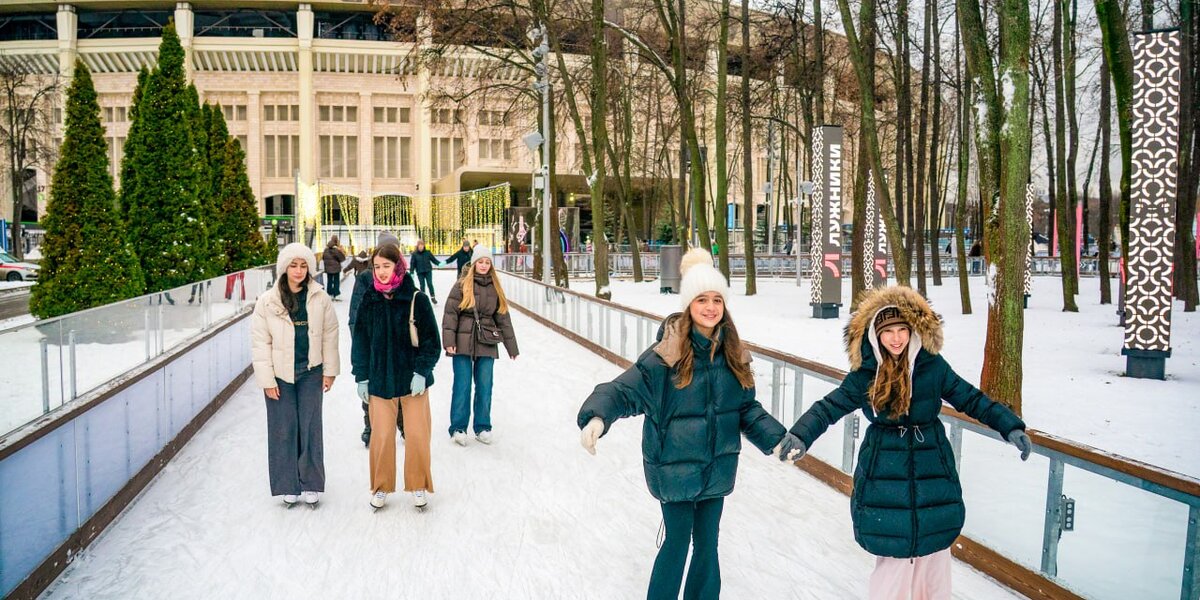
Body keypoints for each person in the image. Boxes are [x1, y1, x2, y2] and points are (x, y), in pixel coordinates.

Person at [775, 285, 1032, 600]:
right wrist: (801, 434)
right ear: (875, 335)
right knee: (893, 560)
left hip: (931, 467)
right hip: (885, 470)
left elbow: (970, 399)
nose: (896, 338)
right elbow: (830, 406)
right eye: (888, 332)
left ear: (914, 331)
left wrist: (1010, 427)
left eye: (902, 330)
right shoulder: (865, 374)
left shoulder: (932, 366)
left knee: (934, 557)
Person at [577, 248, 789, 600]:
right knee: (677, 542)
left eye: (717, 300)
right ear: (689, 304)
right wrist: (597, 416)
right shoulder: (668, 354)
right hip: (673, 469)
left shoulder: (733, 353)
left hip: (716, 468)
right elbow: (625, 390)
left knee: (708, 545)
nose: (710, 307)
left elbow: (746, 410)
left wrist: (777, 440)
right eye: (702, 299)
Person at [351, 244, 441, 510]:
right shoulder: (370, 299)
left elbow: (431, 342)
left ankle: (418, 484)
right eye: (377, 267)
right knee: (381, 436)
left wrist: (422, 372)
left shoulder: (416, 298)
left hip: (413, 380)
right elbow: (360, 342)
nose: (380, 272)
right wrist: (362, 376)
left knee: (416, 435)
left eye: (386, 266)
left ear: (398, 266)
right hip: (379, 379)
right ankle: (380, 486)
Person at [250, 243, 339, 508]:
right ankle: (288, 484)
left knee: (310, 427)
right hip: (280, 376)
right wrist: (266, 380)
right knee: (283, 429)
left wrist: (330, 371)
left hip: (311, 372)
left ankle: (310, 482)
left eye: (303, 265)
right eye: (293, 265)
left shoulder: (319, 297)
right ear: (284, 268)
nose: (299, 271)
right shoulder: (268, 301)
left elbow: (330, 334)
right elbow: (260, 342)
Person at [441, 246, 518, 445]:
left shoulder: (495, 287)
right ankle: (458, 427)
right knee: (462, 385)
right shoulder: (461, 285)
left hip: (487, 341)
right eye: (480, 262)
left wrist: (512, 347)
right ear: (474, 263)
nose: (483, 266)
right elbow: (450, 314)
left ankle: (482, 426)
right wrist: (449, 342)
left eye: (487, 262)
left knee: (485, 386)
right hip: (462, 342)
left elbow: (503, 317)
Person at [349, 231, 405, 446]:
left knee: (400, 385)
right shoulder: (365, 278)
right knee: (371, 388)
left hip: (399, 344)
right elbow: (355, 314)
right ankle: (370, 424)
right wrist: (361, 344)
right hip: (372, 344)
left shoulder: (403, 277)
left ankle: (402, 424)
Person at [410, 239, 443, 304]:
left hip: (428, 271)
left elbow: (434, 260)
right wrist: (412, 272)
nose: (420, 247)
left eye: (422, 245)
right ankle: (423, 299)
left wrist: (439, 263)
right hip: (420, 272)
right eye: (419, 245)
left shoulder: (428, 252)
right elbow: (412, 264)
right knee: (422, 285)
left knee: (430, 284)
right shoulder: (414, 254)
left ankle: (433, 297)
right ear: (417, 246)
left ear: (424, 245)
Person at [323, 236, 347, 301]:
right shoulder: (336, 250)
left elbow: (323, 258)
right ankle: (336, 294)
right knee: (336, 281)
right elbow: (342, 258)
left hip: (328, 269)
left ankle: (329, 294)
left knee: (329, 281)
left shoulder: (325, 250)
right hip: (336, 268)